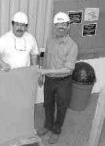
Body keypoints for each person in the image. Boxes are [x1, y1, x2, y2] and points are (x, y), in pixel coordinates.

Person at [37, 12, 78, 144]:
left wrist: (46, 71)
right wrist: (41, 74)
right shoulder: (50, 40)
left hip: (63, 81)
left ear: (68, 26)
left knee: (62, 106)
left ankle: (56, 130)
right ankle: (48, 125)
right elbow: (46, 58)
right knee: (48, 104)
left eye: (64, 24)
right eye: (58, 24)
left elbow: (69, 69)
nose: (61, 26)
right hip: (49, 79)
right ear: (54, 26)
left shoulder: (73, 46)